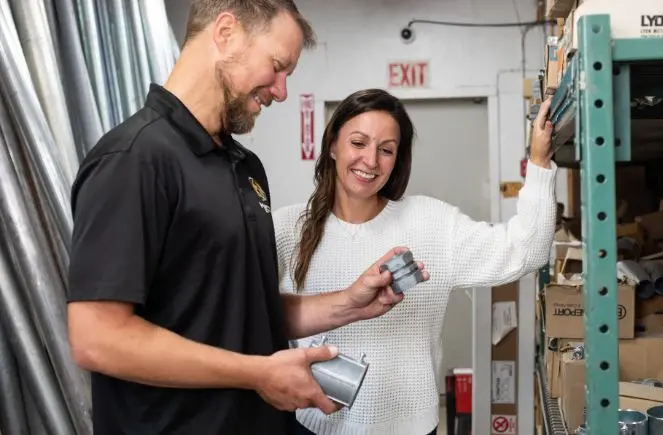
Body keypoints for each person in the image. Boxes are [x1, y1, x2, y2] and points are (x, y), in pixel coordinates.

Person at [65, 3, 428, 435]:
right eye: (277, 67)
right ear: (225, 33)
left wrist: (348, 303)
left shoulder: (244, 166)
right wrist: (256, 373)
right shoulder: (134, 159)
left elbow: (242, 308)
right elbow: (98, 339)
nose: (281, 91)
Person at [273, 88, 557, 435]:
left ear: (398, 159)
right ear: (332, 145)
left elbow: (527, 251)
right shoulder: (287, 229)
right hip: (314, 427)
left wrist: (540, 164)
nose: (371, 161)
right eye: (358, 143)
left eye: (386, 150)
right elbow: (246, 316)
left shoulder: (430, 223)